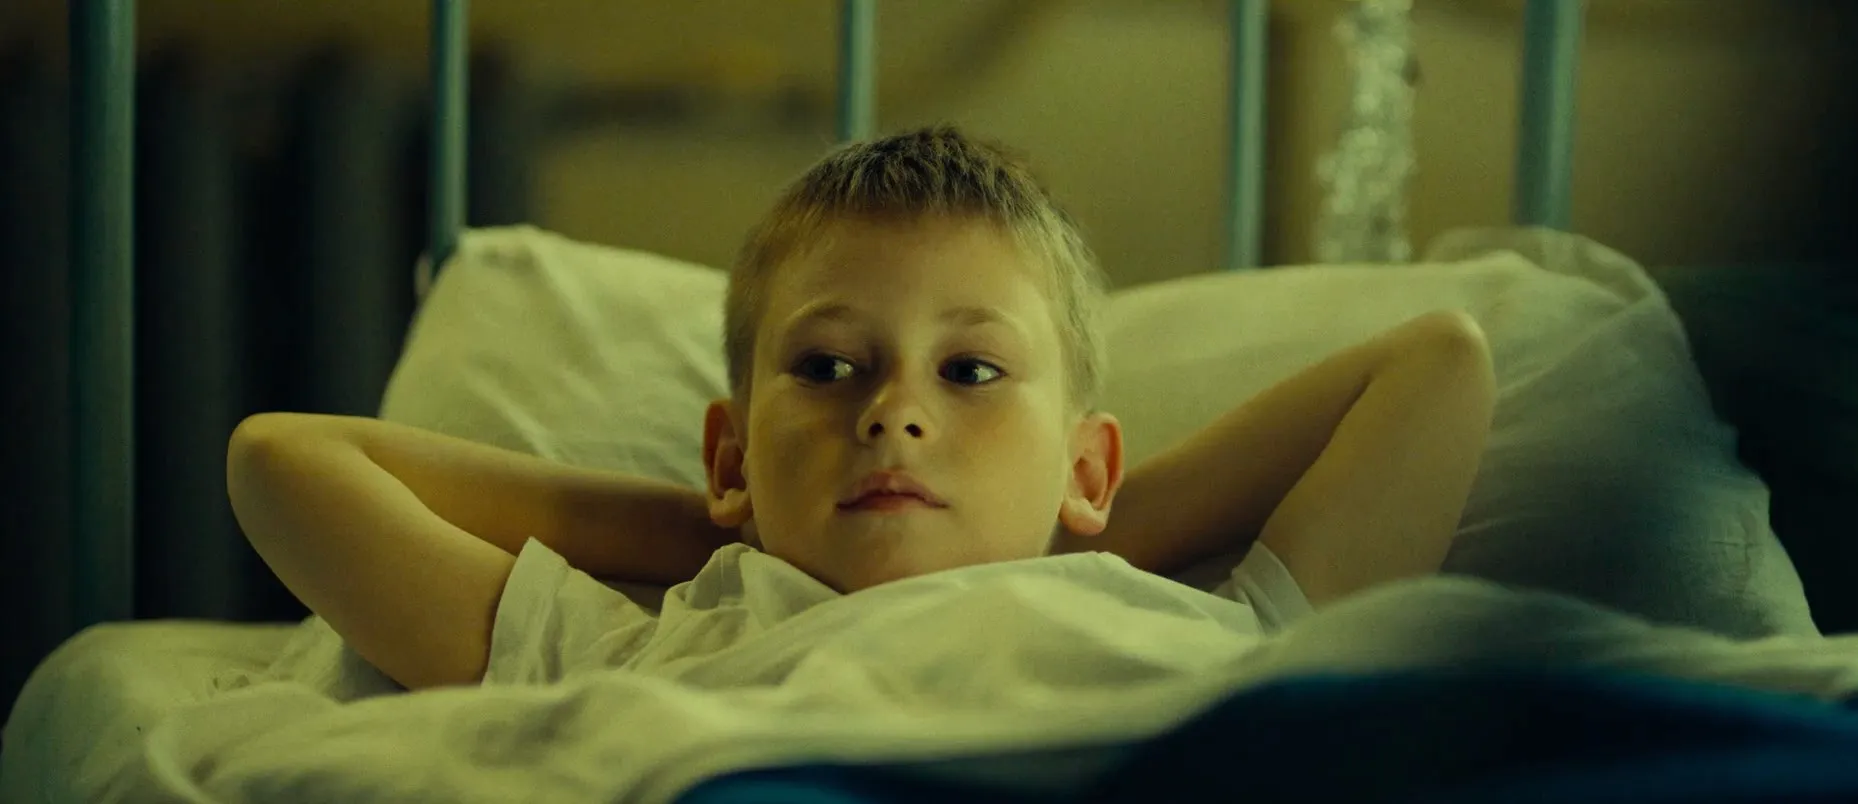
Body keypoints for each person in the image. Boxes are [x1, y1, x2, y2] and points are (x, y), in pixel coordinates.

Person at [226, 126, 1496, 693]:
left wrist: (1073, 529)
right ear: (730, 456)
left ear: (1090, 467)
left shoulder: (1186, 629)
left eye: (971, 372)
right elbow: (281, 462)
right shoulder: (649, 646)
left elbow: (1439, 367)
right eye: (831, 367)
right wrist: (719, 524)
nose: (892, 414)